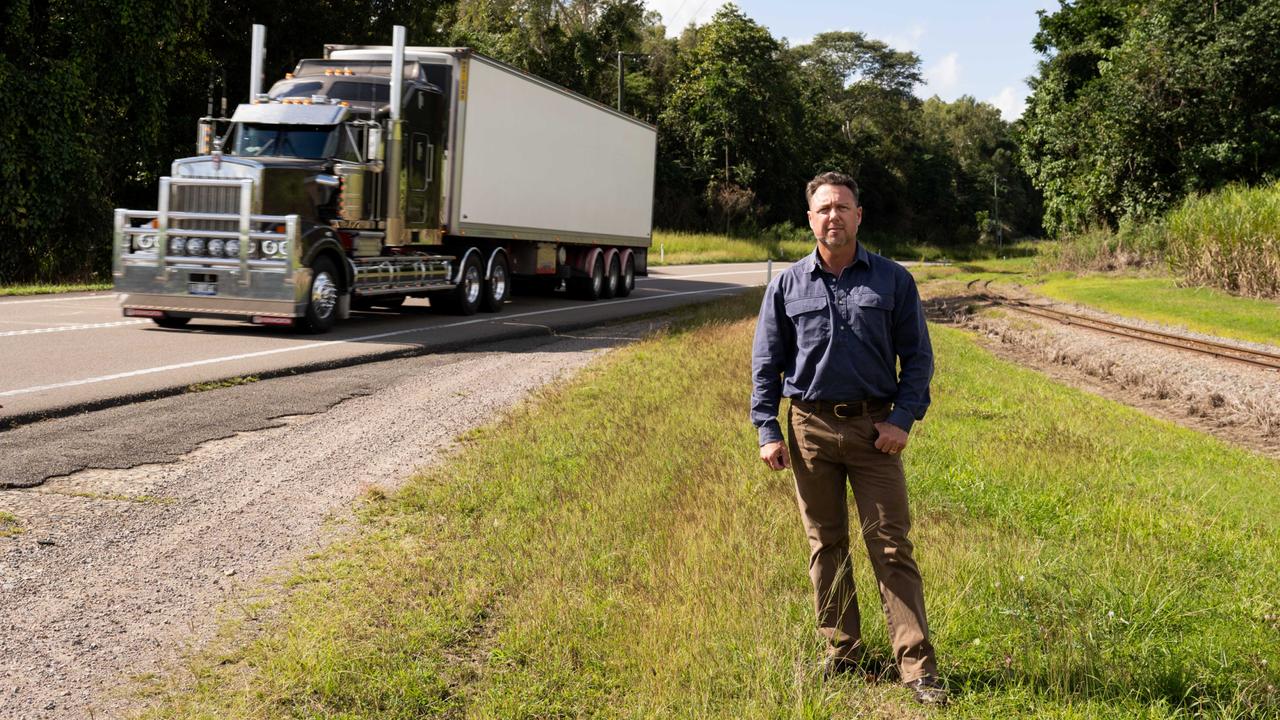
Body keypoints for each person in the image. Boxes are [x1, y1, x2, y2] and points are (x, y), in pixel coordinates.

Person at [750, 171, 947, 706]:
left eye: (842, 207)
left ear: (859, 215)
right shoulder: (787, 285)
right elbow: (766, 363)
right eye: (823, 209)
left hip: (874, 432)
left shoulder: (892, 281)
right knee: (826, 545)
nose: (833, 216)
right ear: (810, 219)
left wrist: (902, 420)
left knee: (891, 546)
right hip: (809, 430)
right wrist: (768, 429)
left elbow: (919, 358)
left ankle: (917, 668)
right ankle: (842, 654)